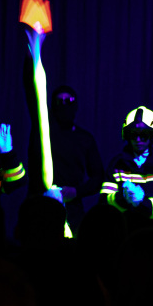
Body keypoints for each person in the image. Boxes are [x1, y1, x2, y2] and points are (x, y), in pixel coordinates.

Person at [28, 85, 105, 233]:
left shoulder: (84, 139)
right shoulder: (42, 132)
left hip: (72, 209)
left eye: (68, 101)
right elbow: (33, 96)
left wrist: (76, 192)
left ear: (75, 105)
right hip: (40, 205)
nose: (64, 105)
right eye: (59, 101)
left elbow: (98, 176)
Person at [100, 107, 153, 230]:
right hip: (124, 233)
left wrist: (143, 203)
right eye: (133, 135)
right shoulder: (117, 164)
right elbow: (103, 202)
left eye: (143, 135)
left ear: (152, 137)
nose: (138, 140)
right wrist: (123, 198)